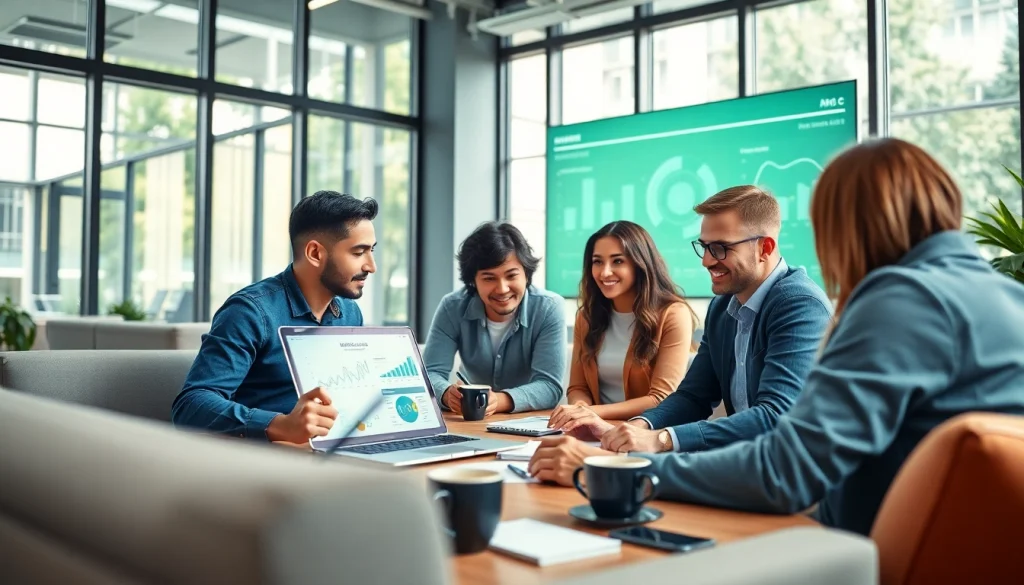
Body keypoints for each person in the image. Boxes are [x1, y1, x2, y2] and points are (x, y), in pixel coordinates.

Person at [528, 138, 1024, 536]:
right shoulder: (1002, 294)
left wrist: (610, 469)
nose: (707, 260)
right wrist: (630, 431)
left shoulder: (898, 298)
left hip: (865, 550)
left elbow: (788, 469)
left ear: (848, 228)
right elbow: (697, 396)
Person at [572, 186, 832, 454]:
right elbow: (693, 397)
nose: (707, 261)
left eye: (720, 248)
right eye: (704, 247)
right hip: (745, 461)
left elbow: (774, 417)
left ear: (764, 248)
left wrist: (662, 439)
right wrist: (637, 428)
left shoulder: (800, 305)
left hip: (794, 473)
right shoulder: (722, 307)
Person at [171, 191, 378, 443]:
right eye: (359, 252)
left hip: (334, 450)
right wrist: (279, 425)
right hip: (265, 460)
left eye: (372, 251)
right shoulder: (249, 311)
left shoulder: (349, 312)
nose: (371, 266)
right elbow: (191, 405)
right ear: (315, 253)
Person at [546, 221, 696, 431]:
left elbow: (661, 398)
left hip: (648, 434)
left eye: (617, 261)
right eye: (597, 262)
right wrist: (580, 410)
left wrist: (591, 413)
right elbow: (578, 388)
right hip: (594, 431)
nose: (605, 272)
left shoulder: (673, 314)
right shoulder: (587, 317)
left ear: (639, 263)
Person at [423, 221, 567, 416]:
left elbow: (550, 386)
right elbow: (430, 374)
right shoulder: (452, 307)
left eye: (511, 276)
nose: (502, 289)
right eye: (489, 278)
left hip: (528, 422)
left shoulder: (548, 308)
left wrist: (498, 401)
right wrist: (447, 394)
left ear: (526, 273)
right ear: (473, 281)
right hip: (471, 422)